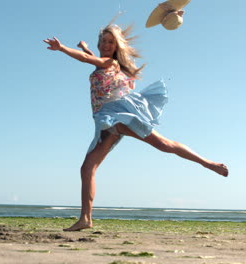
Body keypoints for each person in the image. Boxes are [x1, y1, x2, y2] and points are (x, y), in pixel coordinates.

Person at [43, 24, 228, 232]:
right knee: (87, 168)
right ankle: (85, 218)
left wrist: (63, 49)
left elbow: (89, 60)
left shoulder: (109, 62)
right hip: (105, 121)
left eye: (110, 42)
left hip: (117, 116)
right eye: (103, 41)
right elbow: (91, 59)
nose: (105, 44)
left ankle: (208, 163)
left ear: (116, 47)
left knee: (165, 144)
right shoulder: (103, 63)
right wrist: (86, 47)